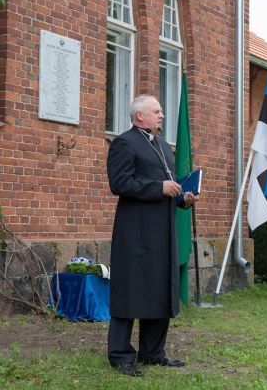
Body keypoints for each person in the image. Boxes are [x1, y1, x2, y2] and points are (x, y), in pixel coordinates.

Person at [106, 95, 199, 377]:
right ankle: (121, 355)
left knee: (159, 289)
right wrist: (159, 188)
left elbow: (167, 186)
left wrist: (183, 197)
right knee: (131, 289)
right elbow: (119, 183)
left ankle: (153, 351)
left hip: (163, 232)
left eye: (161, 110)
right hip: (135, 232)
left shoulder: (162, 145)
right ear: (139, 116)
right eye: (156, 111)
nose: (162, 115)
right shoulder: (125, 142)